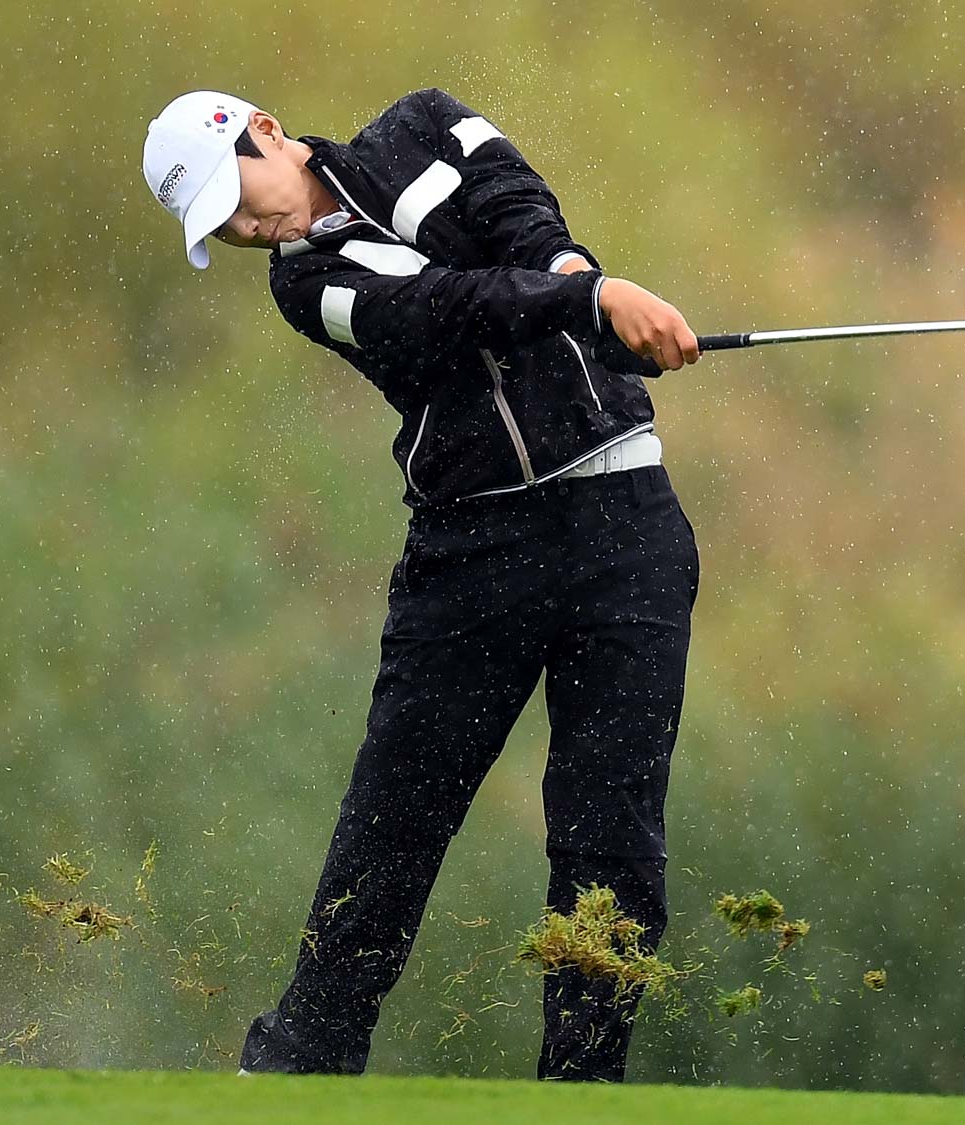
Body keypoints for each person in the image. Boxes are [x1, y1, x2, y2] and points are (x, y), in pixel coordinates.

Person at [140, 88, 703, 1081]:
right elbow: (443, 307)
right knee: (395, 821)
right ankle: (302, 1063)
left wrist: (579, 276)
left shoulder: (428, 126)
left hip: (625, 523)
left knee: (608, 830)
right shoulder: (306, 286)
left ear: (266, 132)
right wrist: (588, 303)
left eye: (236, 195)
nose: (242, 226)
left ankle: (582, 1087)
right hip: (471, 553)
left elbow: (516, 214)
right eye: (217, 227)